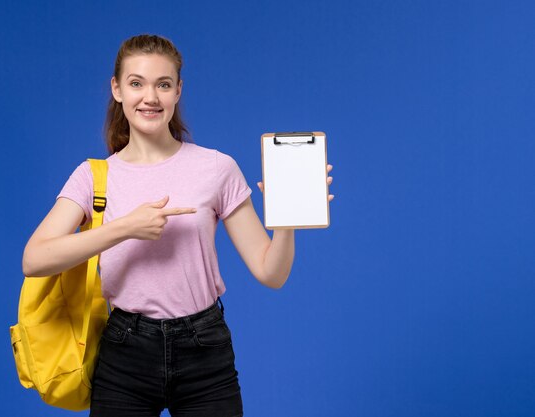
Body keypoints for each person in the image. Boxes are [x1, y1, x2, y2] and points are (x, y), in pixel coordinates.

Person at [22, 34, 334, 417]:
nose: (150, 97)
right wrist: (124, 227)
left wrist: (287, 218)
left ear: (178, 91)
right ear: (117, 89)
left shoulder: (217, 168)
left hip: (205, 349)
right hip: (124, 350)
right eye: (136, 83)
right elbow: (34, 259)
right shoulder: (93, 177)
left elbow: (271, 273)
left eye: (163, 84)